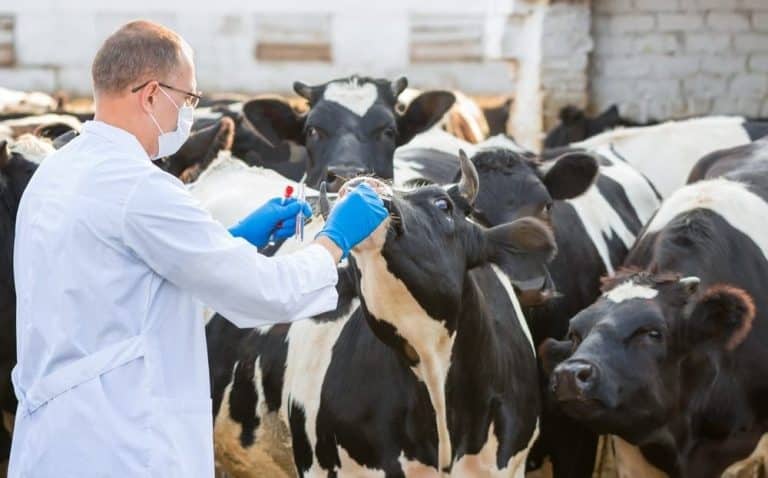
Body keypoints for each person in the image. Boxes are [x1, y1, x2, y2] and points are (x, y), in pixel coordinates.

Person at [8, 20, 387, 477]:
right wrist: (336, 239)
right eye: (187, 99)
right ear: (150, 94)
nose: (188, 113)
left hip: (56, 440)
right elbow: (265, 293)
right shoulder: (140, 189)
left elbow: (115, 281)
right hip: (123, 445)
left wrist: (230, 243)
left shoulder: (57, 171)